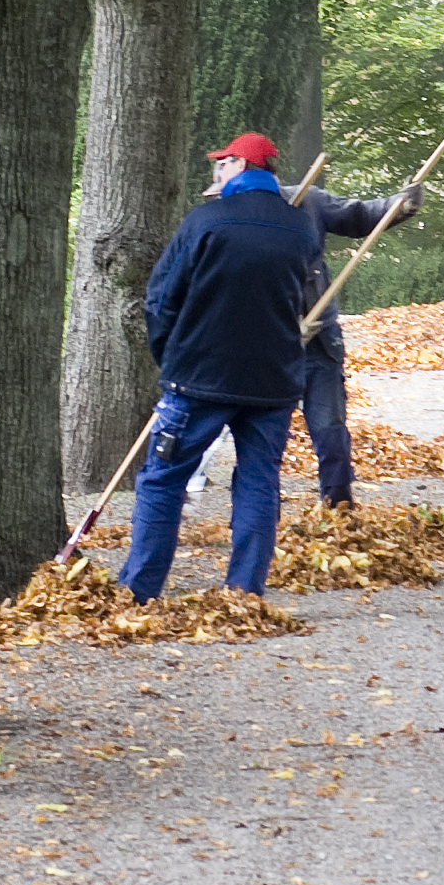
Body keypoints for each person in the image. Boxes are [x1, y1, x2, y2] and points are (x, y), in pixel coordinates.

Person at [118, 135, 330, 602]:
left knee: (163, 480)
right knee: (259, 482)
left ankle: (138, 591)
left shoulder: (206, 221)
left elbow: (160, 299)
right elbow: (304, 304)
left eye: (221, 164)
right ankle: (245, 593)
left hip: (198, 378)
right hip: (273, 381)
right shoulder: (300, 230)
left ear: (239, 165)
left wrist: (170, 357)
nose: (216, 173)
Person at [286, 161, 423, 510]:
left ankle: (338, 505)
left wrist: (400, 204)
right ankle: (258, 516)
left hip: (319, 338)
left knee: (329, 428)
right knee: (262, 434)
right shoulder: (235, 218)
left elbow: (360, 214)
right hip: (270, 345)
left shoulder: (309, 202)